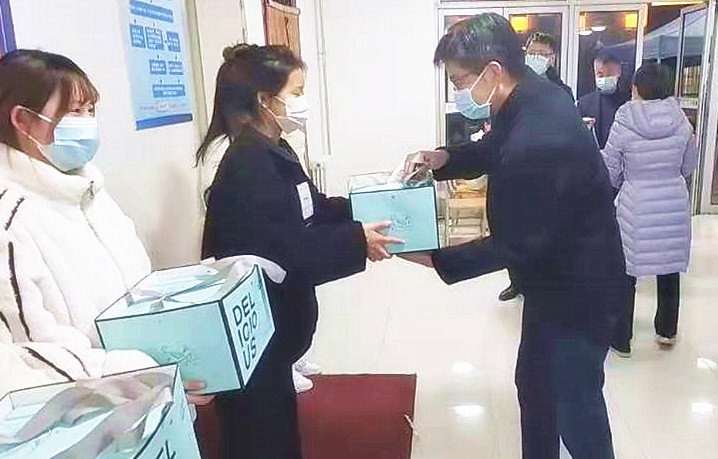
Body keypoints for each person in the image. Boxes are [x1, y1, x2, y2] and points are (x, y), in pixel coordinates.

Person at [401, 14, 626, 458]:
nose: (457, 92)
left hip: (579, 291)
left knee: (576, 407)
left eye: (459, 81)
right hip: (551, 281)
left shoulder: (540, 137)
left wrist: (429, 255)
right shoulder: (530, 97)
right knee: (535, 386)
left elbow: (515, 244)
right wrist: (441, 158)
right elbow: (493, 148)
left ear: (493, 71)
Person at [198, 44, 399, 458]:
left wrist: (366, 206)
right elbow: (286, 252)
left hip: (277, 336)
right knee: (259, 438)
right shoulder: (248, 164)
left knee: (278, 429)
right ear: (265, 100)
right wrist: (357, 241)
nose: (302, 102)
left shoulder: (276, 148)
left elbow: (311, 207)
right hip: (254, 333)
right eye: (296, 91)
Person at [0, 50, 211, 405]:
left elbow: (137, 285)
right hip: (98, 409)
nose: (86, 122)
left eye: (90, 110)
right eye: (73, 111)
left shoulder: (89, 190)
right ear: (22, 119)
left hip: (151, 391)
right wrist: (137, 375)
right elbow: (36, 354)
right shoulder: (9, 221)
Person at [602, 63, 697, 357]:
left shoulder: (624, 120)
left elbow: (611, 168)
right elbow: (688, 166)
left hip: (636, 202)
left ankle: (621, 339)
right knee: (669, 266)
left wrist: (625, 182)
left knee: (626, 271)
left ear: (635, 88)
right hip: (672, 201)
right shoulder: (682, 121)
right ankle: (667, 330)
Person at [577, 48, 630, 149]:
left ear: (619, 72)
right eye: (600, 75)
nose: (604, 78)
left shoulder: (628, 103)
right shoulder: (584, 104)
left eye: (609, 75)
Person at [524, 32, 573, 100]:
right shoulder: (513, 85)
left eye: (541, 54)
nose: (535, 57)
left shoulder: (563, 92)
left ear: (552, 58)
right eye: (531, 53)